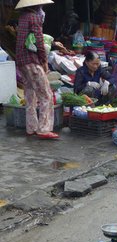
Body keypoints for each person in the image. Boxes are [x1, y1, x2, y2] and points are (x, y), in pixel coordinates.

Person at [15, 0, 59, 139]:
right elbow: (39, 40)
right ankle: (44, 129)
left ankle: (31, 127)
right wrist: (44, 60)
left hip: (21, 61)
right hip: (32, 61)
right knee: (46, 95)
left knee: (30, 95)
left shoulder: (22, 17)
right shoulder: (34, 17)